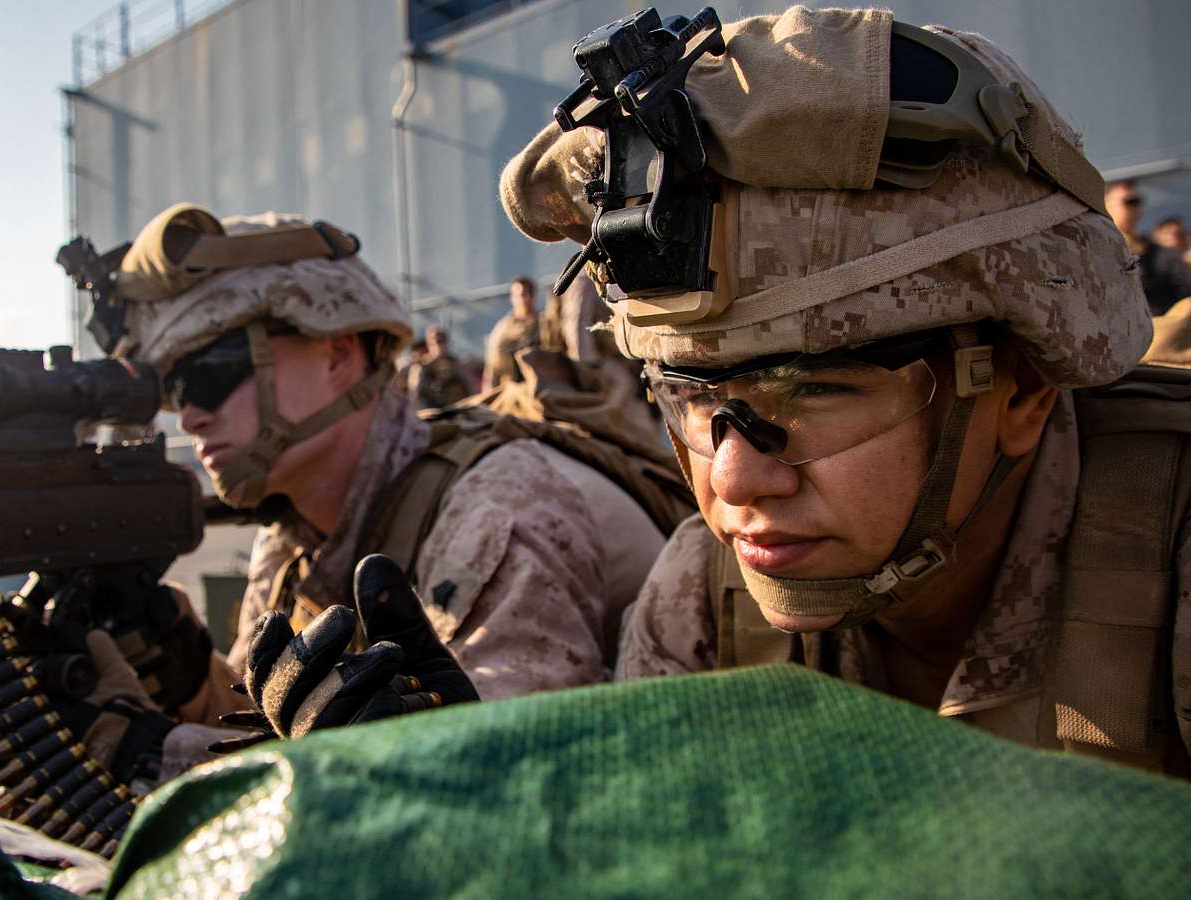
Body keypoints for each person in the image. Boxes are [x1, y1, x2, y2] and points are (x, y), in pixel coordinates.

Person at [498, 8, 1189, 774]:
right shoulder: (707, 587)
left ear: (1021, 392)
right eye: (693, 395)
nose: (733, 479)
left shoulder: (1171, 558)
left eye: (813, 390)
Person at [90, 203, 676, 762]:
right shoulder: (294, 534)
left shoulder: (497, 506)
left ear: (337, 355)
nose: (188, 417)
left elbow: (495, 774)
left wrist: (149, 755)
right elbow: (256, 725)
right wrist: (170, 655)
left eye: (207, 377)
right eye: (173, 394)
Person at [1106, 180, 1191, 314]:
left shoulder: (1161, 253)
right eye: (1129, 201)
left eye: (1138, 201)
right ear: (1107, 205)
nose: (1136, 206)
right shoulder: (1101, 251)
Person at [482, 276, 540, 389]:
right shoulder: (502, 330)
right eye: (521, 295)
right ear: (512, 298)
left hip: (541, 387)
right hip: (511, 390)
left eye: (529, 293)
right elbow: (492, 368)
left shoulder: (545, 324)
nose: (525, 299)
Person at [405, 325, 471, 408]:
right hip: (431, 412)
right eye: (436, 341)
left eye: (442, 341)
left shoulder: (457, 365)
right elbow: (414, 396)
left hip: (456, 411)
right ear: (429, 344)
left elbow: (472, 389)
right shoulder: (421, 366)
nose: (439, 345)